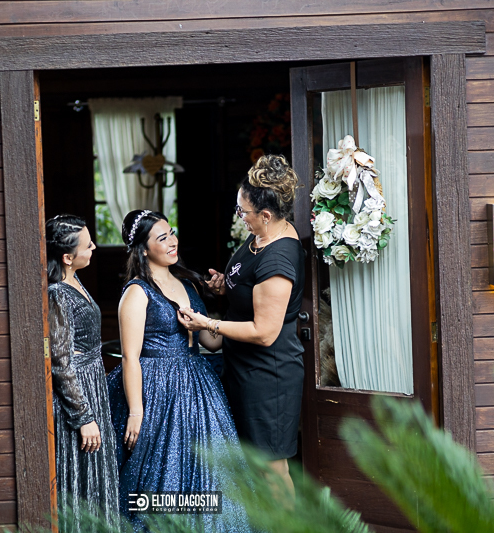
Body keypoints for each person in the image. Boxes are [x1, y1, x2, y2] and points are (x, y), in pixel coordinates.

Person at [107, 210, 251, 532]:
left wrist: (234, 302)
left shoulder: (188, 284)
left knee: (206, 471)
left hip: (198, 387)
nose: (173, 241)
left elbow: (211, 342)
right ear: (144, 250)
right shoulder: (136, 291)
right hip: (156, 390)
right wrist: (136, 411)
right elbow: (130, 357)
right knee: (160, 472)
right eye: (162, 238)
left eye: (171, 232)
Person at [179, 154, 305, 496]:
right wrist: (228, 287)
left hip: (268, 377)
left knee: (271, 469)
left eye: (243, 211)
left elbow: (264, 333)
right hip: (242, 368)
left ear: (266, 215)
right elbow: (251, 290)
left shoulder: (279, 259)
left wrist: (208, 323)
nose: (239, 216)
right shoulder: (261, 236)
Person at [46, 214, 119, 531]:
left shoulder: (74, 280)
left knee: (99, 474)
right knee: (82, 478)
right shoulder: (58, 293)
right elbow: (61, 361)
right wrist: (83, 417)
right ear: (67, 257)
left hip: (92, 384)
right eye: (87, 245)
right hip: (79, 393)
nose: (93, 247)